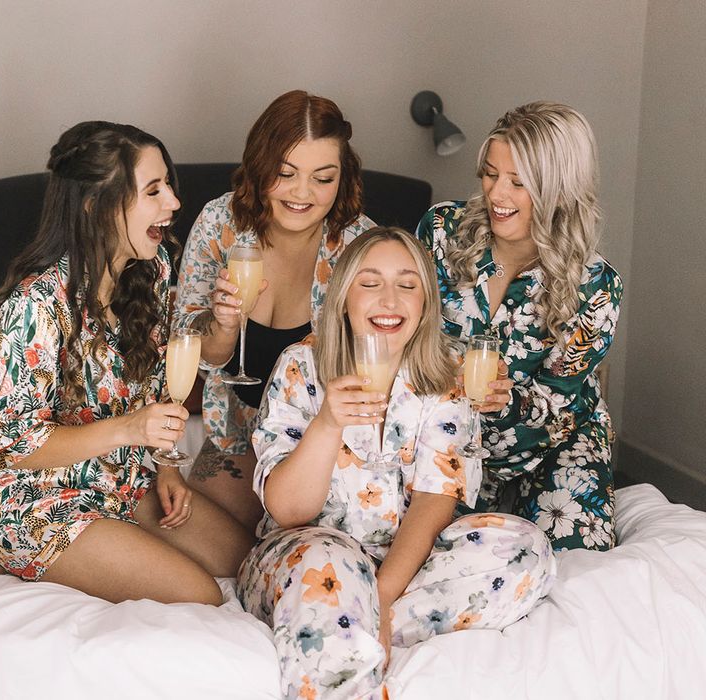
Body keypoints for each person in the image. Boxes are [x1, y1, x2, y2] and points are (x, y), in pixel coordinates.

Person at [237, 227, 556, 700]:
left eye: (407, 285)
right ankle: (337, 627)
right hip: (306, 554)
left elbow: (435, 499)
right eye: (370, 283)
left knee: (524, 548)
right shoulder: (300, 367)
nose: (390, 299)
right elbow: (288, 511)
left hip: (404, 564)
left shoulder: (446, 373)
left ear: (425, 303)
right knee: (330, 563)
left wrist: (382, 599)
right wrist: (326, 425)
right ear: (344, 297)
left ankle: (339, 627)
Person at [0, 121, 253, 605]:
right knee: (199, 594)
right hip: (35, 501)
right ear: (96, 205)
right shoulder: (38, 304)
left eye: (169, 186)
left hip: (120, 477)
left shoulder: (153, 269)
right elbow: (13, 443)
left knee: (245, 562)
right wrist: (129, 430)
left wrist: (164, 466)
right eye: (153, 190)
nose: (174, 204)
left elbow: (159, 381)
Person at [416, 101, 623, 552]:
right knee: (433, 557)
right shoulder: (440, 232)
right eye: (490, 174)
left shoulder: (596, 286)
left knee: (577, 566)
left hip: (555, 444)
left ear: (560, 189)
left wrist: (508, 401)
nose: (497, 195)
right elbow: (407, 330)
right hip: (448, 440)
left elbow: (557, 402)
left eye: (519, 182)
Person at [174, 90, 375, 530]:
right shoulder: (219, 224)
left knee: (296, 547)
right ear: (259, 167)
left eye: (323, 178)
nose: (302, 193)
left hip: (322, 443)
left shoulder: (363, 248)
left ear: (343, 177)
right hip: (237, 433)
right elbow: (192, 355)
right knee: (196, 542)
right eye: (285, 174)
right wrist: (223, 324)